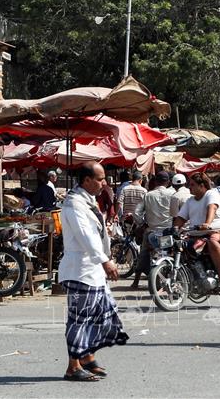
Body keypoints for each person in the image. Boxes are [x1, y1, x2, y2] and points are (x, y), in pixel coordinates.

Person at [58, 163, 128, 382]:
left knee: (100, 315)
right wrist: (106, 260)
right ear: (86, 180)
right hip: (80, 269)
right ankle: (73, 366)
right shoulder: (74, 204)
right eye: (100, 179)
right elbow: (85, 236)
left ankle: (88, 358)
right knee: (79, 319)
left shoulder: (87, 201)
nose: (104, 183)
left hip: (92, 270)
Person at [174, 172, 220, 288]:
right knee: (179, 245)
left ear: (202, 185)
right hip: (197, 235)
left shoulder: (211, 194)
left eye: (192, 185)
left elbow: (212, 208)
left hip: (219, 232)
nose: (189, 187)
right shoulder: (190, 201)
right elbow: (181, 218)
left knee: (213, 241)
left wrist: (207, 224)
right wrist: (174, 229)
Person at [131, 172, 174, 288]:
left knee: (143, 254)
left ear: (155, 181)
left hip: (151, 232)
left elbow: (136, 212)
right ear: (168, 182)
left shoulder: (148, 195)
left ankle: (136, 282)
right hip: (168, 232)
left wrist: (142, 223)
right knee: (172, 255)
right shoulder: (173, 194)